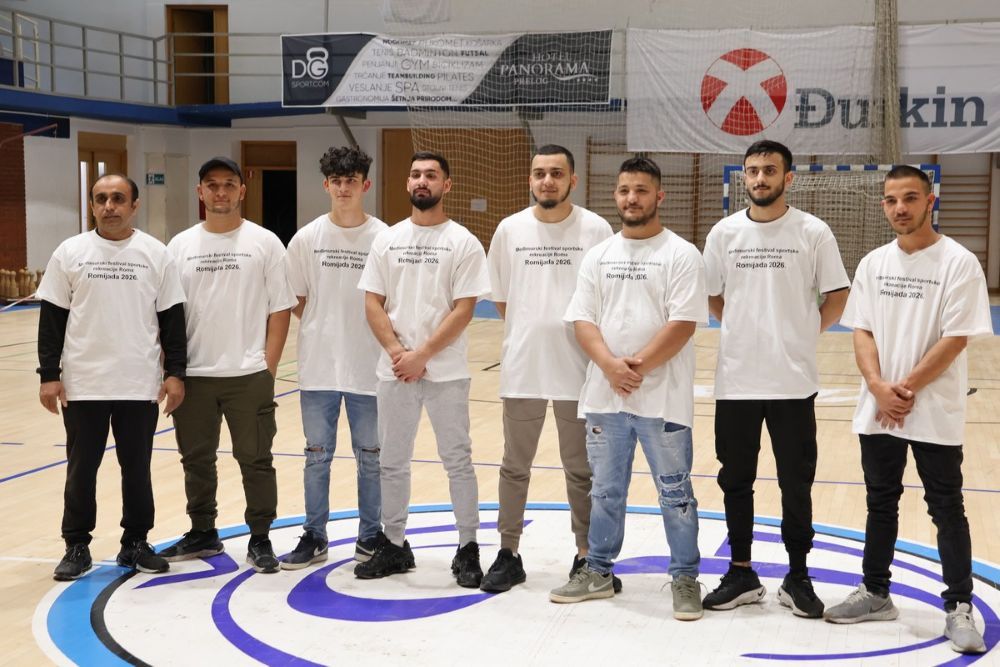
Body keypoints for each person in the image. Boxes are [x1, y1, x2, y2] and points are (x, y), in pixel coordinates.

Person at [824, 165, 991, 654]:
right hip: (879, 407)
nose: (900, 208)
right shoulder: (873, 263)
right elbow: (861, 330)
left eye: (910, 198)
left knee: (946, 506)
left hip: (933, 408)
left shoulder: (959, 262)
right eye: (892, 200)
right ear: (884, 205)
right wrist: (878, 387)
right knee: (880, 501)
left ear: (930, 201)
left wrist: (906, 388)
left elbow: (956, 338)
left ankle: (959, 605)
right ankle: (876, 592)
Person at [550, 156, 706, 621]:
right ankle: (598, 570)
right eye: (624, 190)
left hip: (663, 400)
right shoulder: (598, 255)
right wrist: (609, 367)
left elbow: (683, 323)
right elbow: (583, 319)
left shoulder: (681, 254)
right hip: (605, 398)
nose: (631, 198)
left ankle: (685, 577)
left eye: (641, 190)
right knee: (605, 491)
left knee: (676, 493)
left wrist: (634, 369)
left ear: (659, 196)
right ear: (615, 196)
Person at [701, 140, 849, 618]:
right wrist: (743, 327)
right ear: (743, 177)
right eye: (752, 170)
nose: (760, 178)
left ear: (788, 178)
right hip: (737, 381)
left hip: (792, 383)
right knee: (735, 480)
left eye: (769, 170)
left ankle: (797, 576)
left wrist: (804, 332)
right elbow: (713, 295)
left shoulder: (813, 231)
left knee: (796, 483)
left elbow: (837, 295)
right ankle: (741, 572)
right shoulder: (724, 233)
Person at [37, 173, 186, 580]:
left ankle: (135, 542)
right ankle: (76, 545)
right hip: (84, 383)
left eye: (118, 198)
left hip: (139, 383)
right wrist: (49, 374)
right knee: (81, 469)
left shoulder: (156, 254)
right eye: (101, 198)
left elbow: (172, 321)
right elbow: (52, 320)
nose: (109, 206)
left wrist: (175, 373)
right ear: (91, 205)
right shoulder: (70, 252)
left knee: (136, 468)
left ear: (135, 205)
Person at [481, 144, 614, 593]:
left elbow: (603, 298)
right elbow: (503, 299)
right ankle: (508, 552)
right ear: (530, 179)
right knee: (514, 465)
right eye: (540, 173)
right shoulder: (509, 229)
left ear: (573, 180)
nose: (547, 181)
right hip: (523, 367)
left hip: (580, 370)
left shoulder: (596, 229)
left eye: (557, 173)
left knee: (580, 469)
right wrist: (532, 329)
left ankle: (586, 555)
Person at [355, 151, 490, 588]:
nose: (422, 181)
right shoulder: (387, 240)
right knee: (392, 462)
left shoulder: (463, 242)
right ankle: (394, 544)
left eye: (431, 175)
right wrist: (399, 352)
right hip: (394, 370)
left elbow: (464, 309)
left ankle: (468, 547)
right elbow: (372, 302)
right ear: (407, 183)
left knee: (458, 461)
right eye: (415, 174)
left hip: (445, 372)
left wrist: (423, 355)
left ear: (446, 185)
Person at [159, 157, 297, 573]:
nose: (221, 192)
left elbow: (280, 309)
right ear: (200, 192)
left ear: (242, 190)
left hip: (248, 375)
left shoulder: (265, 243)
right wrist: (171, 370)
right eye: (212, 185)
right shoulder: (179, 246)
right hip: (195, 376)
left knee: (256, 459)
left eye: (229, 184)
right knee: (196, 459)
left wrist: (267, 368)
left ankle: (260, 537)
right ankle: (203, 531)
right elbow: (167, 313)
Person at [280, 146, 387, 569]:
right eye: (337, 181)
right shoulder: (307, 238)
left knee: (371, 458)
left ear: (366, 185)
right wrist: (325, 326)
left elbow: (390, 300)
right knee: (316, 456)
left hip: (370, 368)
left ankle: (371, 535)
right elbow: (297, 298)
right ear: (326, 185)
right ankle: (315, 535)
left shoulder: (384, 238)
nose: (344, 188)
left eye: (351, 181)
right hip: (319, 367)